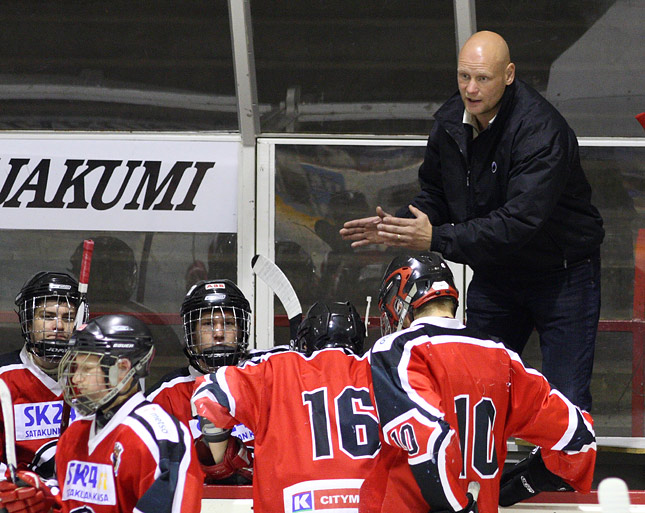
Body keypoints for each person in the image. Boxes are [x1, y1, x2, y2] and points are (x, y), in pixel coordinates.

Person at [340, 31, 604, 412]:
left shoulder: (543, 131)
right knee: (474, 390)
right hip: (498, 274)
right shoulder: (450, 121)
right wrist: (400, 225)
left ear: (509, 74)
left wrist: (435, 238)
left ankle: (565, 473)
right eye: (464, 77)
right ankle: (476, 473)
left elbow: (515, 225)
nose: (471, 88)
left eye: (483, 78)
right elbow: (437, 194)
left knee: (566, 401)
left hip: (562, 276)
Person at [359, 253, 596, 513]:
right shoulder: (501, 356)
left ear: (399, 303)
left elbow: (430, 441)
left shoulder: (396, 350)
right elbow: (579, 437)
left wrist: (456, 508)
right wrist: (530, 479)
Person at [191, 301, 378, 513]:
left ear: (304, 341)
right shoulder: (379, 371)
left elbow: (209, 394)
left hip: (296, 504)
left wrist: (227, 459)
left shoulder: (278, 369)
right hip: (367, 504)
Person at [146, 279, 254, 483]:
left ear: (241, 330)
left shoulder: (261, 386)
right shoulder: (164, 396)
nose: (219, 333)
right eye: (208, 324)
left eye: (228, 323)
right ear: (191, 332)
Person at [0, 271, 86, 480]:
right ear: (28, 323)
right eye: (47, 316)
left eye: (68, 318)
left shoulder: (94, 379)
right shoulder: (3, 379)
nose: (58, 326)